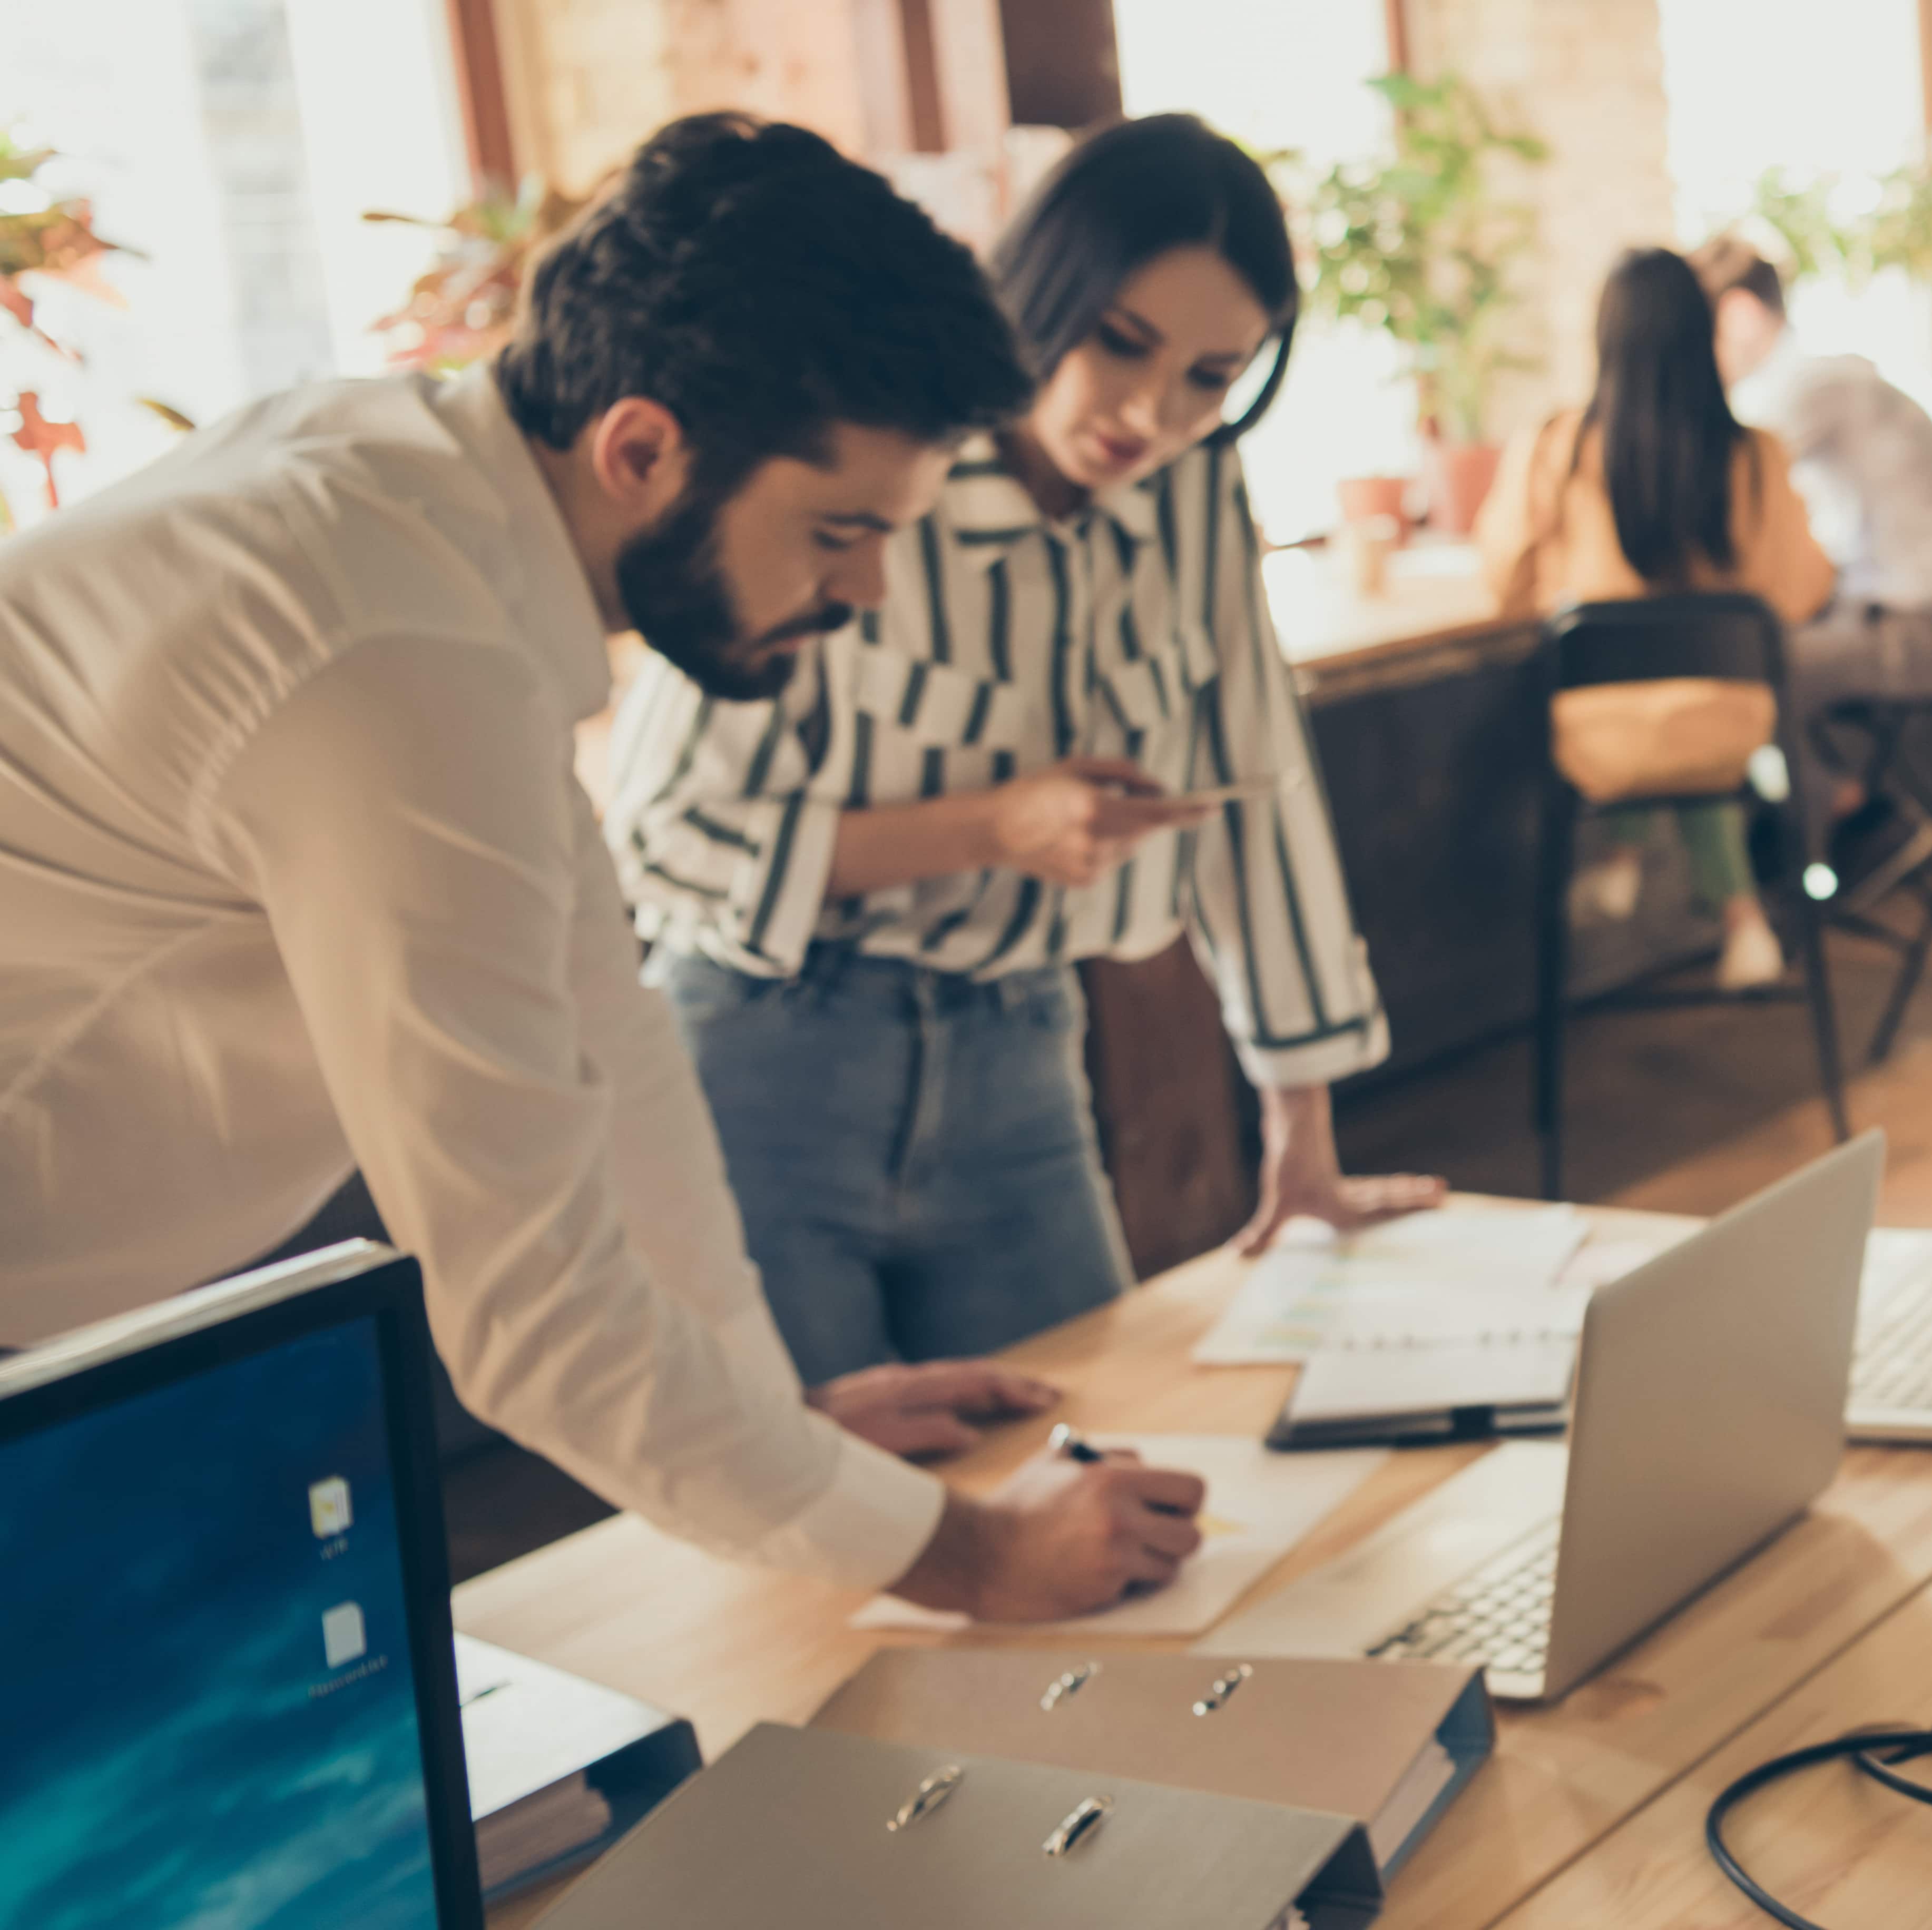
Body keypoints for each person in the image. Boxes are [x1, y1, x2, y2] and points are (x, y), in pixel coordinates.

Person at [0, 116, 1204, 1621]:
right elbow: (530, 1314)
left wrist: (781, 1429)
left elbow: (611, 1050)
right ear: (641, 449)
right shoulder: (396, 654)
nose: (868, 590)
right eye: (838, 530)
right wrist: (976, 1555)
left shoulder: (427, 532)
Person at [609, 115, 1440, 1386]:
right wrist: (991, 827)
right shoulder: (866, 466)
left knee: (1084, 1460)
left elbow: (1255, 797)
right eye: (1122, 343)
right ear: (1044, 288)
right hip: (767, 1061)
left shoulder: (1199, 496)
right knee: (807, 1527)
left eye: (1210, 378)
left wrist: (1303, 1132)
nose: (1149, 413)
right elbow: (660, 830)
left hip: (1022, 1059)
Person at [1476, 246, 1837, 991]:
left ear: (1603, 339)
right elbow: (1800, 593)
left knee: (1640, 716)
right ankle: (1738, 918)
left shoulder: (1559, 446)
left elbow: (1503, 584)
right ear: (1702, 335)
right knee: (1692, 719)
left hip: (1601, 740)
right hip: (1730, 730)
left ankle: (1622, 855)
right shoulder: (1755, 456)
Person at [1686, 235, 1932, 892]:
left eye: (1703, 336)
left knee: (1751, 673)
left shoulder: (1806, 385)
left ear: (1739, 316)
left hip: (1927, 630)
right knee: (1751, 662)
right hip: (1904, 615)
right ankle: (1852, 817)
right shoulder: (1824, 376)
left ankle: (1856, 820)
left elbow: (1723, 483)